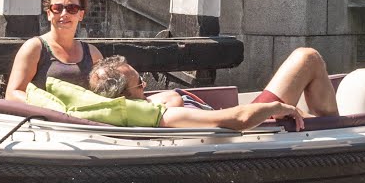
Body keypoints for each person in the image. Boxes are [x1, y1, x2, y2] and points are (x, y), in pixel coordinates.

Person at [3, 0, 182, 107]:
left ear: (80, 14)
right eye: (57, 8)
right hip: (48, 124)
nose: (64, 14)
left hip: (88, 123)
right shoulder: (35, 48)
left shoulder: (92, 52)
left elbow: (107, 90)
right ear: (49, 13)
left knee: (173, 98)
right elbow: (12, 94)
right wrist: (54, 108)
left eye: (72, 8)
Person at [80, 48, 341, 131]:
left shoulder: (134, 108)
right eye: (140, 83)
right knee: (307, 57)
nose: (146, 85)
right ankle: (336, 128)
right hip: (257, 124)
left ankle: (329, 124)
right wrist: (279, 107)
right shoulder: (166, 115)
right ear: (124, 95)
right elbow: (240, 119)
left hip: (248, 116)